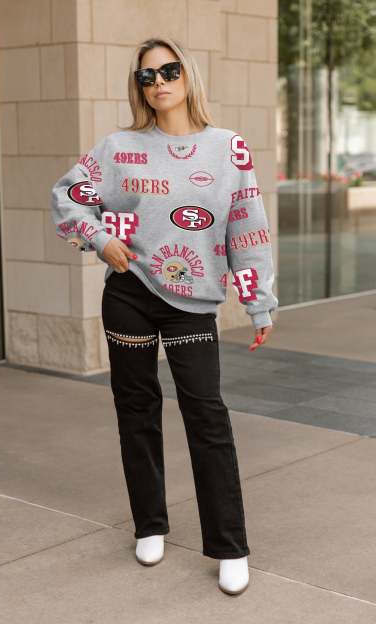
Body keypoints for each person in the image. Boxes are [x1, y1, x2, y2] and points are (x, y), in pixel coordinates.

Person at [51, 36, 278, 596]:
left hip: (192, 303)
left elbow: (246, 226)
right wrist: (100, 239)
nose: (158, 83)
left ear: (188, 75)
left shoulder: (227, 149)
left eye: (168, 71)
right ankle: (150, 524)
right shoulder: (118, 147)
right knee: (136, 411)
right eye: (146, 76)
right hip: (128, 294)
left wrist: (258, 301)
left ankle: (229, 545)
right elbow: (68, 197)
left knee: (206, 416)